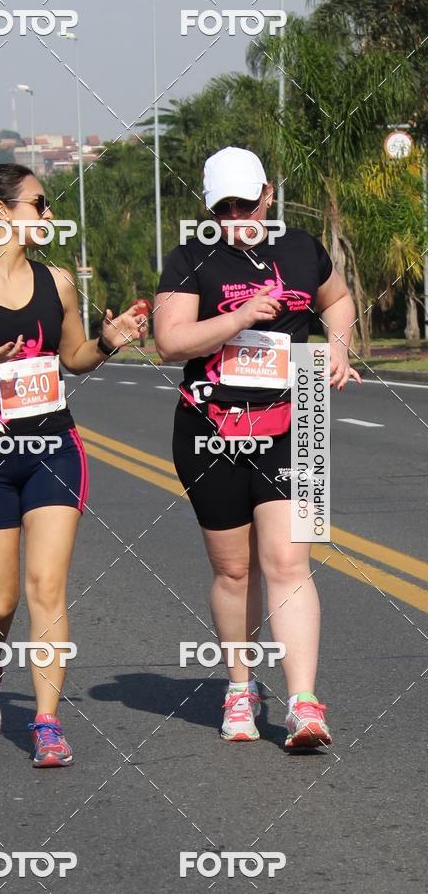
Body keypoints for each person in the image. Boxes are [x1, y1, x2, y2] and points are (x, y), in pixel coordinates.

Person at [0, 163, 142, 767]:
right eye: (40, 202)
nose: (48, 213)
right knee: (0, 602)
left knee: (47, 589)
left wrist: (108, 341)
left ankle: (45, 721)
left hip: (53, 451)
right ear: (3, 213)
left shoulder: (57, 282)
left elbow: (73, 358)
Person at [154, 146, 361, 749]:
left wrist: (339, 344)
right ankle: (240, 687)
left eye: (248, 202)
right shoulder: (192, 258)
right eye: (225, 206)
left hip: (295, 424)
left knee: (290, 562)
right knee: (234, 567)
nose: (238, 213)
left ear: (268, 195)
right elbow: (170, 341)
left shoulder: (300, 250)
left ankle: (302, 703)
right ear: (210, 206)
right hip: (210, 427)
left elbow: (338, 300)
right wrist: (239, 316)